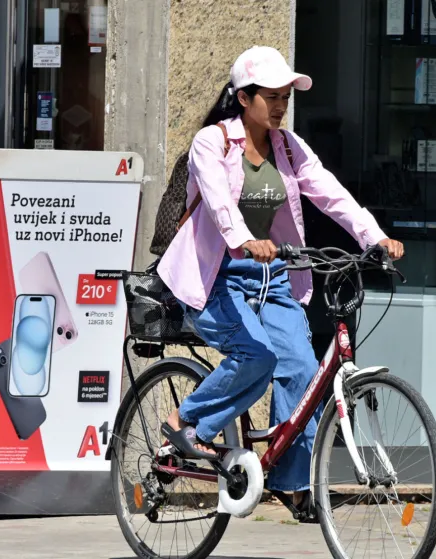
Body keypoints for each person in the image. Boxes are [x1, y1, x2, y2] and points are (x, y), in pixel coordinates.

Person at [156, 46, 404, 521]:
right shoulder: (213, 143)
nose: (279, 106)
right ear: (243, 98)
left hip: (272, 277)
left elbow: (331, 194)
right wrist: (245, 240)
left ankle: (291, 484)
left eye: (285, 97)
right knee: (258, 357)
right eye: (270, 97)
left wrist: (375, 237)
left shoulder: (289, 147)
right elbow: (216, 203)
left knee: (301, 370)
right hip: (215, 277)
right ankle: (185, 421)